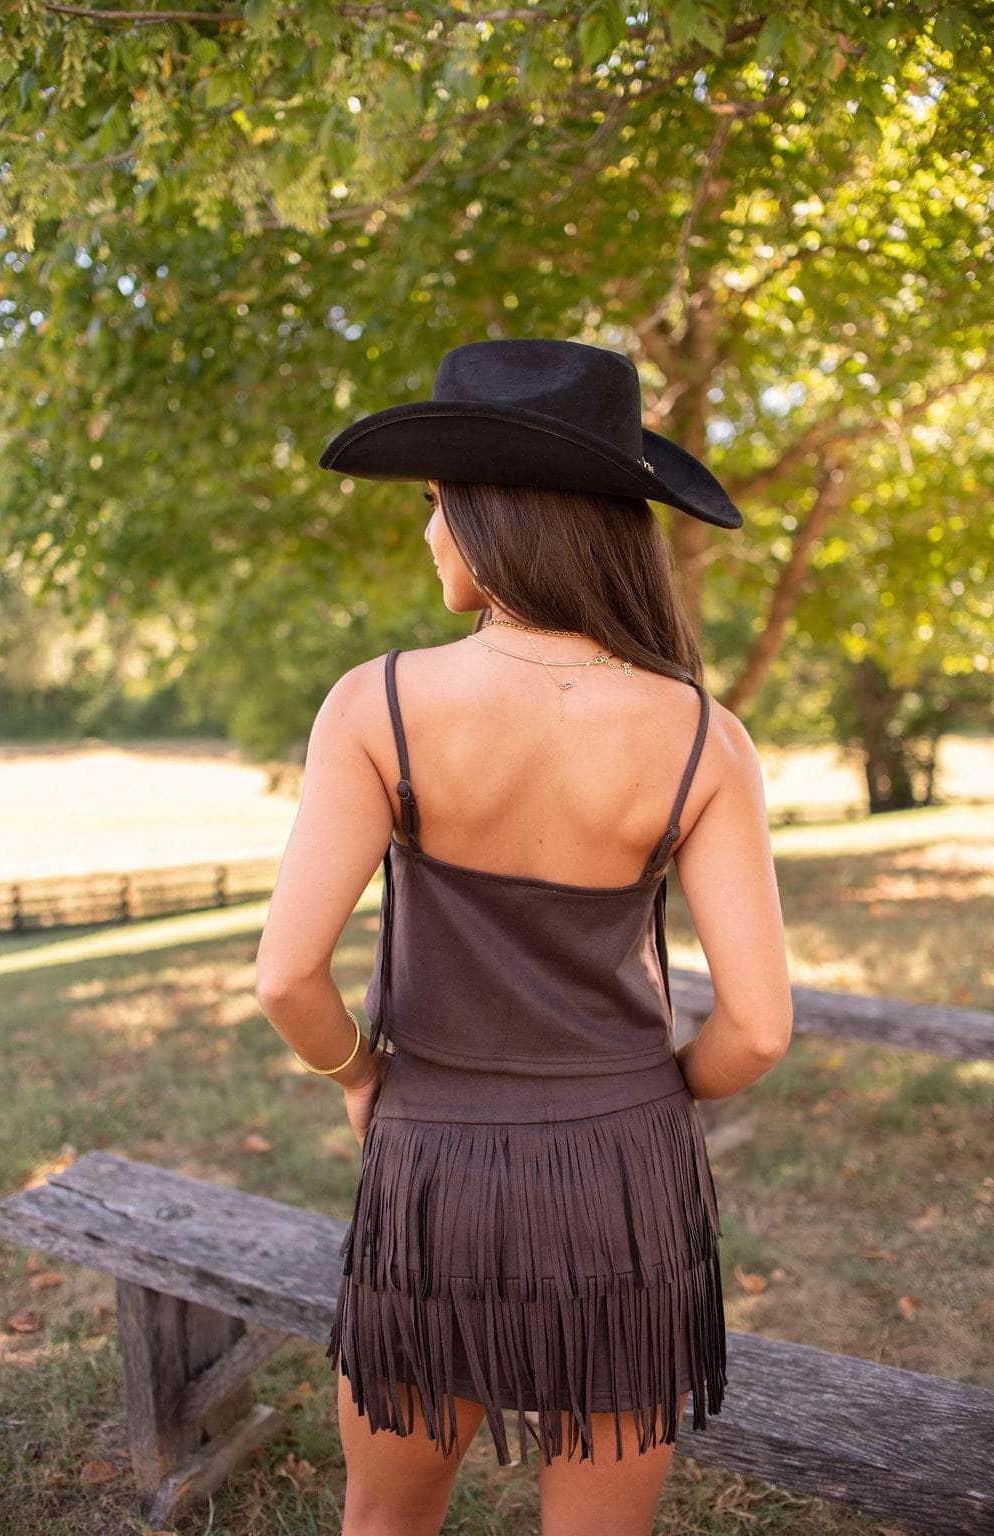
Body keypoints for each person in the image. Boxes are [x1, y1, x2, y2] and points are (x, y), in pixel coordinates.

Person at [256, 340, 793, 1536]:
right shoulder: (706, 736)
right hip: (628, 1180)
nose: (430, 535)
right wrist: (651, 1093)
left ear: (489, 517)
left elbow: (287, 976)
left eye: (437, 507)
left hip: (432, 1166)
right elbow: (757, 1029)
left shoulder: (378, 705)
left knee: (386, 1520)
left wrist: (360, 1077)